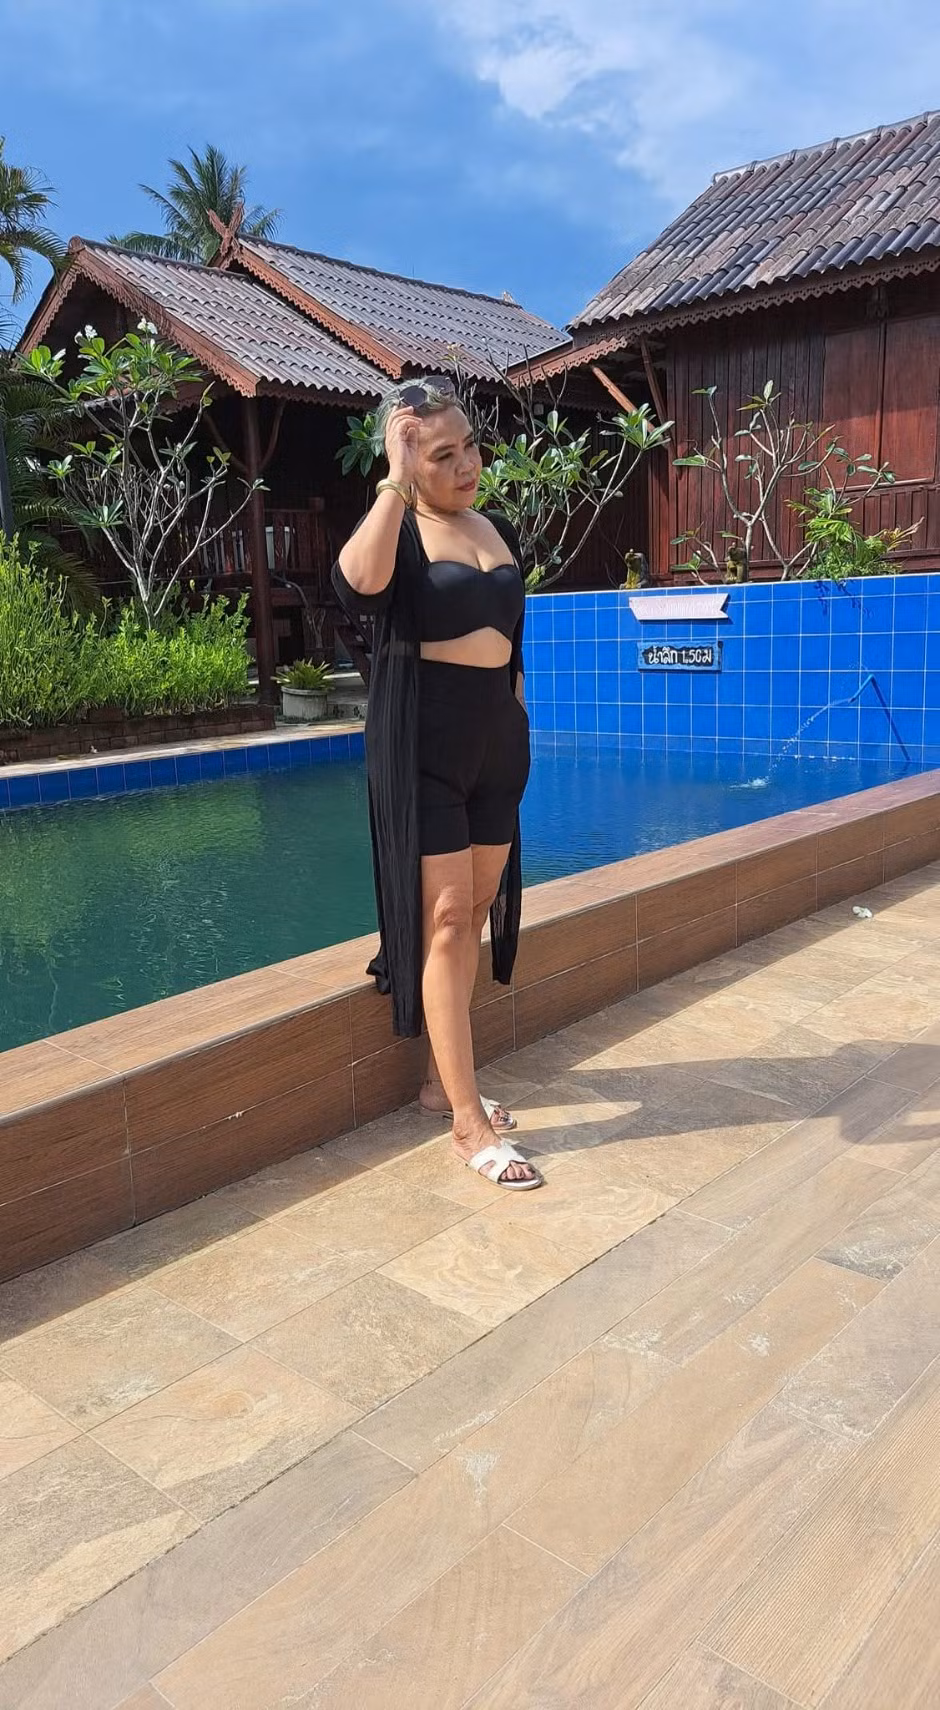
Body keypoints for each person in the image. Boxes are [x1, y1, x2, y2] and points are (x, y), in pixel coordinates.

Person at [332, 375, 542, 1188]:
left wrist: (517, 716)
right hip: (426, 749)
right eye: (443, 455)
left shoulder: (496, 527)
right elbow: (355, 587)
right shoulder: (401, 531)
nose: (467, 465)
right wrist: (392, 479)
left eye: (470, 447)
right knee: (449, 917)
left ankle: (437, 1083)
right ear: (409, 462)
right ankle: (466, 1120)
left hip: (497, 747)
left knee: (473, 913)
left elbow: (514, 642)